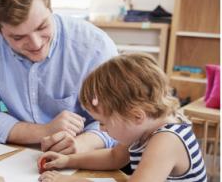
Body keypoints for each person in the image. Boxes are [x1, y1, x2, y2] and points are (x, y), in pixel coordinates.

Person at [0, 0, 118, 154]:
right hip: (14, 156)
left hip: (85, 156)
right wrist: (44, 132)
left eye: (42, 27)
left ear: (50, 7)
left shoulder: (95, 46)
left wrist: (79, 144)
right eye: (18, 37)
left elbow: (118, 118)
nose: (36, 44)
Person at [37, 53, 207, 182]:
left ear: (136, 116)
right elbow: (114, 157)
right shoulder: (142, 127)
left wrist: (71, 180)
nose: (103, 130)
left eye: (104, 123)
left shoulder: (167, 140)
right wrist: (68, 160)